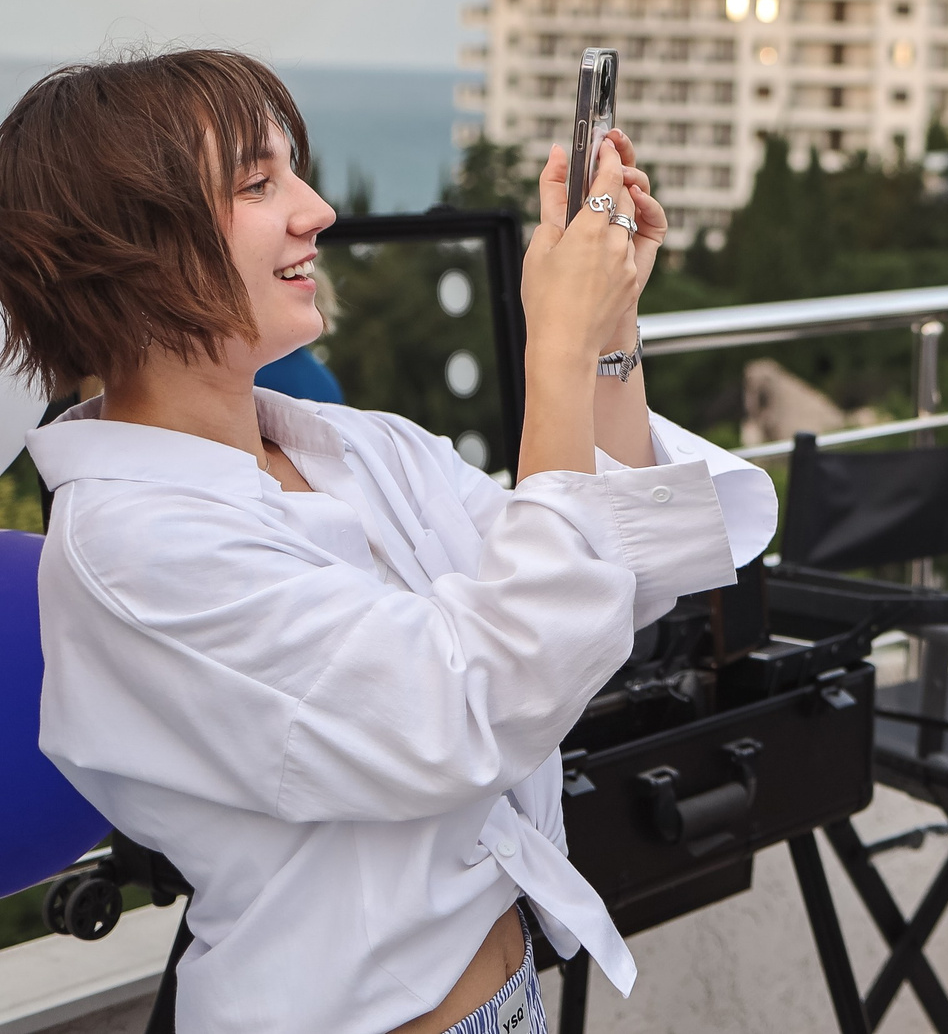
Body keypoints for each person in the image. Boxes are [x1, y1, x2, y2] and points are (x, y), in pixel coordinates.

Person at [2, 51, 776, 1034]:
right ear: (130, 250)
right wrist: (555, 349)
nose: (315, 208)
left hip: (509, 997)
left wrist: (609, 336)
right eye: (257, 183)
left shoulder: (353, 448)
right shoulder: (135, 548)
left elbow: (615, 572)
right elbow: (479, 701)